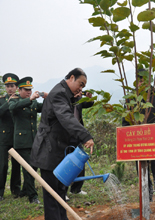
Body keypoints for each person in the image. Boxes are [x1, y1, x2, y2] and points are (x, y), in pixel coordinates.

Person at [30, 68, 94, 220]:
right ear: (71, 77)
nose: (81, 88)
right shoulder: (59, 93)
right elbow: (66, 117)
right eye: (80, 84)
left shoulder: (66, 94)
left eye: (83, 86)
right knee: (52, 194)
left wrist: (76, 98)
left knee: (60, 191)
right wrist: (85, 136)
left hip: (59, 150)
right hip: (49, 150)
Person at [122, 69, 155, 202]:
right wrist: (126, 137)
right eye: (139, 79)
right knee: (141, 168)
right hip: (137, 139)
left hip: (154, 137)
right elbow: (126, 119)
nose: (141, 81)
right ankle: (147, 194)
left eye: (143, 79)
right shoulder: (131, 96)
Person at [9, 77, 47, 204]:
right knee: (29, 168)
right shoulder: (15, 101)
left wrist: (48, 98)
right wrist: (29, 100)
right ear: (19, 90)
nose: (29, 92)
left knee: (33, 167)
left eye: (30, 90)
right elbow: (13, 108)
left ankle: (26, 190)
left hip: (34, 140)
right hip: (22, 142)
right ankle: (32, 196)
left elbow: (45, 108)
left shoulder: (33, 102)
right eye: (26, 90)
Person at [66, 91, 94, 199]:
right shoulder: (65, 99)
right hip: (65, 136)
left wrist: (89, 98)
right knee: (66, 164)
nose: (79, 91)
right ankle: (63, 191)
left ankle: (76, 189)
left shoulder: (79, 99)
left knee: (80, 160)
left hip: (77, 135)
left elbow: (88, 104)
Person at [0, 73, 21, 201]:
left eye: (12, 86)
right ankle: (0, 191)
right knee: (2, 165)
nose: (10, 89)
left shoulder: (20, 99)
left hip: (17, 137)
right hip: (3, 138)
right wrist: (9, 102)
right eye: (8, 86)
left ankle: (16, 189)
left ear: (17, 87)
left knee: (17, 164)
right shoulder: (2, 100)